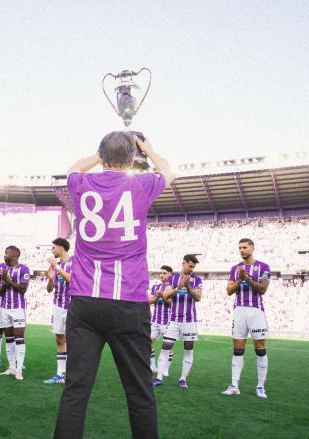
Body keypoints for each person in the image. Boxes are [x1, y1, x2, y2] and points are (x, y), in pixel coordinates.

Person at [54, 132, 174, 439]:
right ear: (133, 158)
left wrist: (97, 155)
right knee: (139, 392)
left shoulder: (82, 185)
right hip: (128, 302)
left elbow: (73, 169)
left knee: (76, 391)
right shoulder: (142, 183)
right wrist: (147, 147)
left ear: (102, 156)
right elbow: (168, 171)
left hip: (85, 301)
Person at [221, 238, 271, 399]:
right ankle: (234, 385)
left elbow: (262, 289)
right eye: (240, 248)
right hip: (239, 311)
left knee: (260, 348)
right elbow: (229, 290)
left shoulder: (263, 267)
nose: (242, 250)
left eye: (245, 247)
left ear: (252, 248)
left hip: (256, 311)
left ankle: (260, 386)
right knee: (238, 349)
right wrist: (240, 279)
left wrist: (247, 279)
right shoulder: (235, 268)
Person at [153, 255, 203, 389]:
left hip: (190, 321)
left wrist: (187, 286)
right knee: (165, 349)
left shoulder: (197, 279)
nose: (192, 269)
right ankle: (159, 378)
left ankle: (183, 379)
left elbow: (198, 297)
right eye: (190, 266)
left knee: (188, 350)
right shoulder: (173, 278)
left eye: (194, 267)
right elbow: (166, 295)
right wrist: (178, 287)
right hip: (174, 320)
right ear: (183, 263)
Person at [0, 246, 30, 381]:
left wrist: (8, 280)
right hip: (5, 308)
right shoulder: (5, 270)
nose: (5, 255)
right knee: (9, 337)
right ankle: (11, 367)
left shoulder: (23, 268)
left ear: (15, 254)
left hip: (18, 308)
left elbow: (23, 289)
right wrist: (4, 281)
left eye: (7, 252)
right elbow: (0, 292)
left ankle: (19, 369)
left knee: (19, 337)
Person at [44, 238, 72, 385]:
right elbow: (49, 289)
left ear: (61, 248)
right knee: (59, 339)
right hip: (57, 306)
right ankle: (60, 374)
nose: (52, 250)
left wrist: (57, 268)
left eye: (54, 247)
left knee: (73, 341)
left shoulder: (74, 262)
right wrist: (50, 279)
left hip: (72, 307)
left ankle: (72, 375)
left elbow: (73, 280)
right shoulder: (56, 266)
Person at [149, 265, 173, 374]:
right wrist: (157, 297)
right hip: (155, 320)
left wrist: (163, 296)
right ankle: (153, 366)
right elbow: (149, 301)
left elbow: (172, 304)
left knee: (168, 346)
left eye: (164, 273)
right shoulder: (155, 287)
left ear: (170, 274)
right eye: (161, 273)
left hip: (167, 321)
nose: (162, 275)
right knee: (148, 343)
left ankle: (165, 369)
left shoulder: (173, 287)